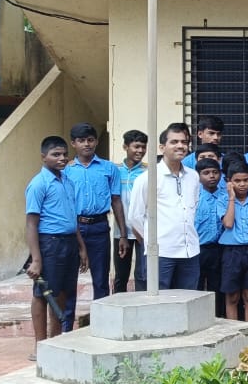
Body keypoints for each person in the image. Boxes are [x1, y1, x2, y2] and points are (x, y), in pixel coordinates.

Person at [25, 136, 86, 356]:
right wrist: (36, 259)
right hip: (49, 243)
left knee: (62, 292)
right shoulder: (38, 184)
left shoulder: (67, 181)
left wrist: (81, 247)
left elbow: (72, 217)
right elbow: (31, 224)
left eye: (64, 154)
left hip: (69, 243)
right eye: (55, 155)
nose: (62, 158)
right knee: (43, 293)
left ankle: (56, 340)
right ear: (44, 157)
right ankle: (40, 345)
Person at [128, 123, 202, 291]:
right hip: (161, 253)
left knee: (187, 299)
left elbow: (193, 208)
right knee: (160, 301)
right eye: (174, 142)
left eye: (184, 142)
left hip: (190, 251)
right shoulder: (147, 178)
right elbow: (135, 217)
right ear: (162, 147)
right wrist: (152, 240)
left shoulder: (193, 176)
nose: (180, 146)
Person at [64, 122, 127, 317]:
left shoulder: (109, 168)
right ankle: (67, 325)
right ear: (73, 143)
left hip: (99, 227)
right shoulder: (66, 171)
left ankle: (102, 321)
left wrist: (123, 234)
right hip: (73, 228)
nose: (86, 144)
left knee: (100, 279)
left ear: (96, 142)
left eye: (90, 140)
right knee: (69, 279)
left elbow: (116, 201)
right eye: (81, 140)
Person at [219, 161, 248, 322]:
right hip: (231, 252)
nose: (242, 184)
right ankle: (233, 330)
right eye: (237, 181)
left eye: (246, 180)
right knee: (232, 295)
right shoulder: (223, 200)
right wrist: (231, 198)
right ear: (229, 181)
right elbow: (228, 223)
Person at [113, 130, 147, 294]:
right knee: (121, 275)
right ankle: (118, 306)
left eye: (143, 147)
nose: (140, 151)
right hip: (121, 232)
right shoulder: (115, 170)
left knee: (142, 275)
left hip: (143, 231)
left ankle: (142, 306)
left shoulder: (148, 171)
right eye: (136, 147)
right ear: (125, 147)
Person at [194, 158, 225, 306]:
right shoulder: (194, 197)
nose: (212, 176)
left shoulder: (226, 197)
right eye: (206, 173)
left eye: (215, 172)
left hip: (219, 249)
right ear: (198, 176)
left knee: (217, 286)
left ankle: (218, 314)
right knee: (197, 286)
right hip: (198, 249)